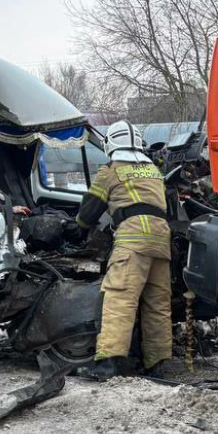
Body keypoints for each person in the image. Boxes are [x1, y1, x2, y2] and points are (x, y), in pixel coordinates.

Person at [75, 121, 174, 380]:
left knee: (119, 298)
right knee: (157, 303)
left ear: (110, 144)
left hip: (132, 239)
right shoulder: (153, 170)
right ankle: (158, 365)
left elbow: (90, 209)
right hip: (161, 241)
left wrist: (77, 229)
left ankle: (108, 365)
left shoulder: (111, 170)